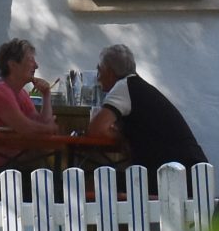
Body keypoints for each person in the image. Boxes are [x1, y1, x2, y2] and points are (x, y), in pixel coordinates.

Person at [87, 43, 209, 173]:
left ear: (110, 72)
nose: (98, 78)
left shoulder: (123, 87)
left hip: (173, 173)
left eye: (99, 71)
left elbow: (96, 129)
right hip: (192, 170)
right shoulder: (138, 87)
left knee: (100, 181)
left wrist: (121, 137)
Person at [0, 37, 59, 178]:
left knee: (50, 181)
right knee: (50, 184)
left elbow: (40, 125)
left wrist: (46, 95)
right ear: (12, 65)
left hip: (8, 168)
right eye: (31, 60)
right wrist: (50, 128)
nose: (36, 66)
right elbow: (27, 128)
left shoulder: (21, 93)